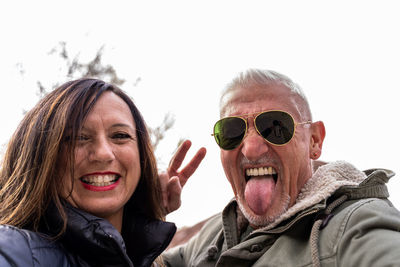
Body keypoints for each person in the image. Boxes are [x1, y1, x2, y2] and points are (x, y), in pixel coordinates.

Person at [163, 69, 400, 266]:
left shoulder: (355, 224)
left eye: (276, 126)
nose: (251, 149)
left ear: (314, 141)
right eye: (232, 131)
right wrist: (147, 212)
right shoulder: (212, 235)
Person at [0, 78, 206, 267]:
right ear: (42, 156)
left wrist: (148, 216)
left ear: (141, 156)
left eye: (120, 135)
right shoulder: (12, 250)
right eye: (78, 137)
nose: (103, 154)